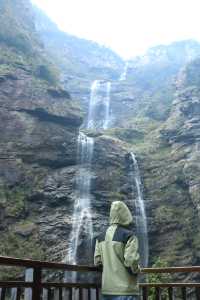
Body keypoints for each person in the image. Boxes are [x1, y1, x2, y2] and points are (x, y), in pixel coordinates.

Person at [94, 201, 140, 300]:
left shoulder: (100, 237)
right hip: (126, 291)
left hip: (107, 290)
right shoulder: (129, 236)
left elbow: (98, 262)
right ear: (126, 214)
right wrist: (137, 270)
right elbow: (131, 261)